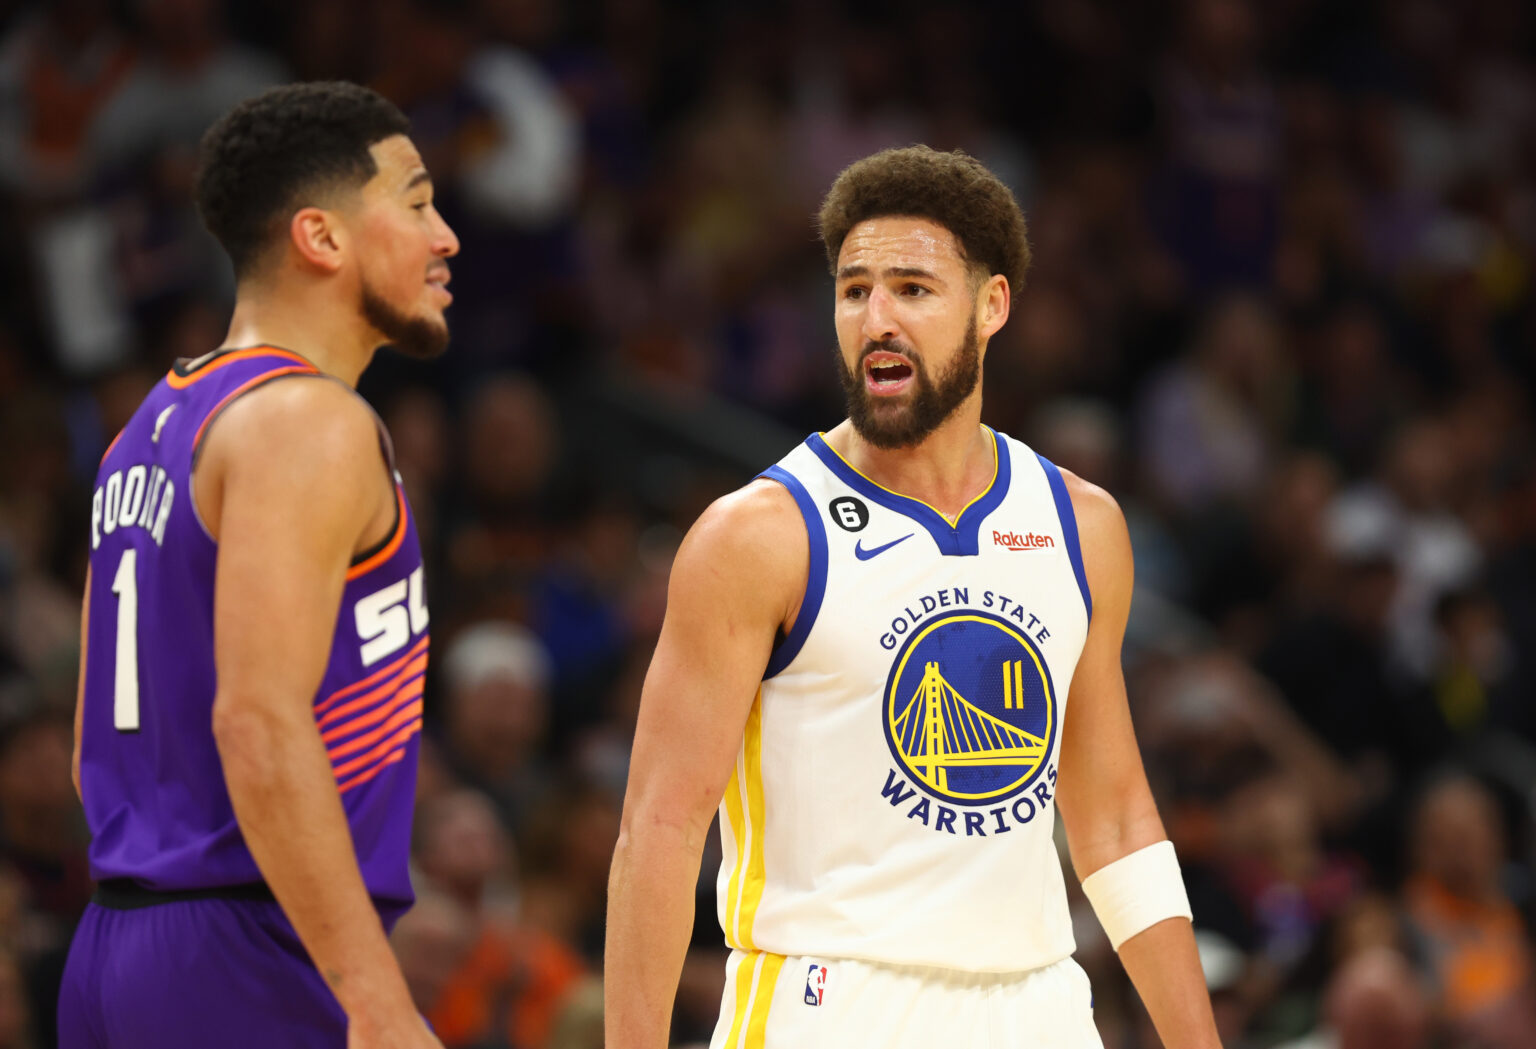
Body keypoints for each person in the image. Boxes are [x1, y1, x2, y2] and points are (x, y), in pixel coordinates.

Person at [606, 146, 1222, 1048]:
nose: (877, 319)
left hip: (1040, 1003)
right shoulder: (758, 536)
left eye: (913, 289)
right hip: (830, 1001)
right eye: (854, 291)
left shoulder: (1081, 524)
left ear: (992, 305)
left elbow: (1117, 817)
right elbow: (660, 827)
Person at [58, 81, 459, 1048]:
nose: (444, 236)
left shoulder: (146, 430)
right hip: (246, 950)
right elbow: (257, 720)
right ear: (320, 237)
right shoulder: (308, 421)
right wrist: (375, 996)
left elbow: (90, 748)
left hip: (116, 945)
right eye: (415, 202)